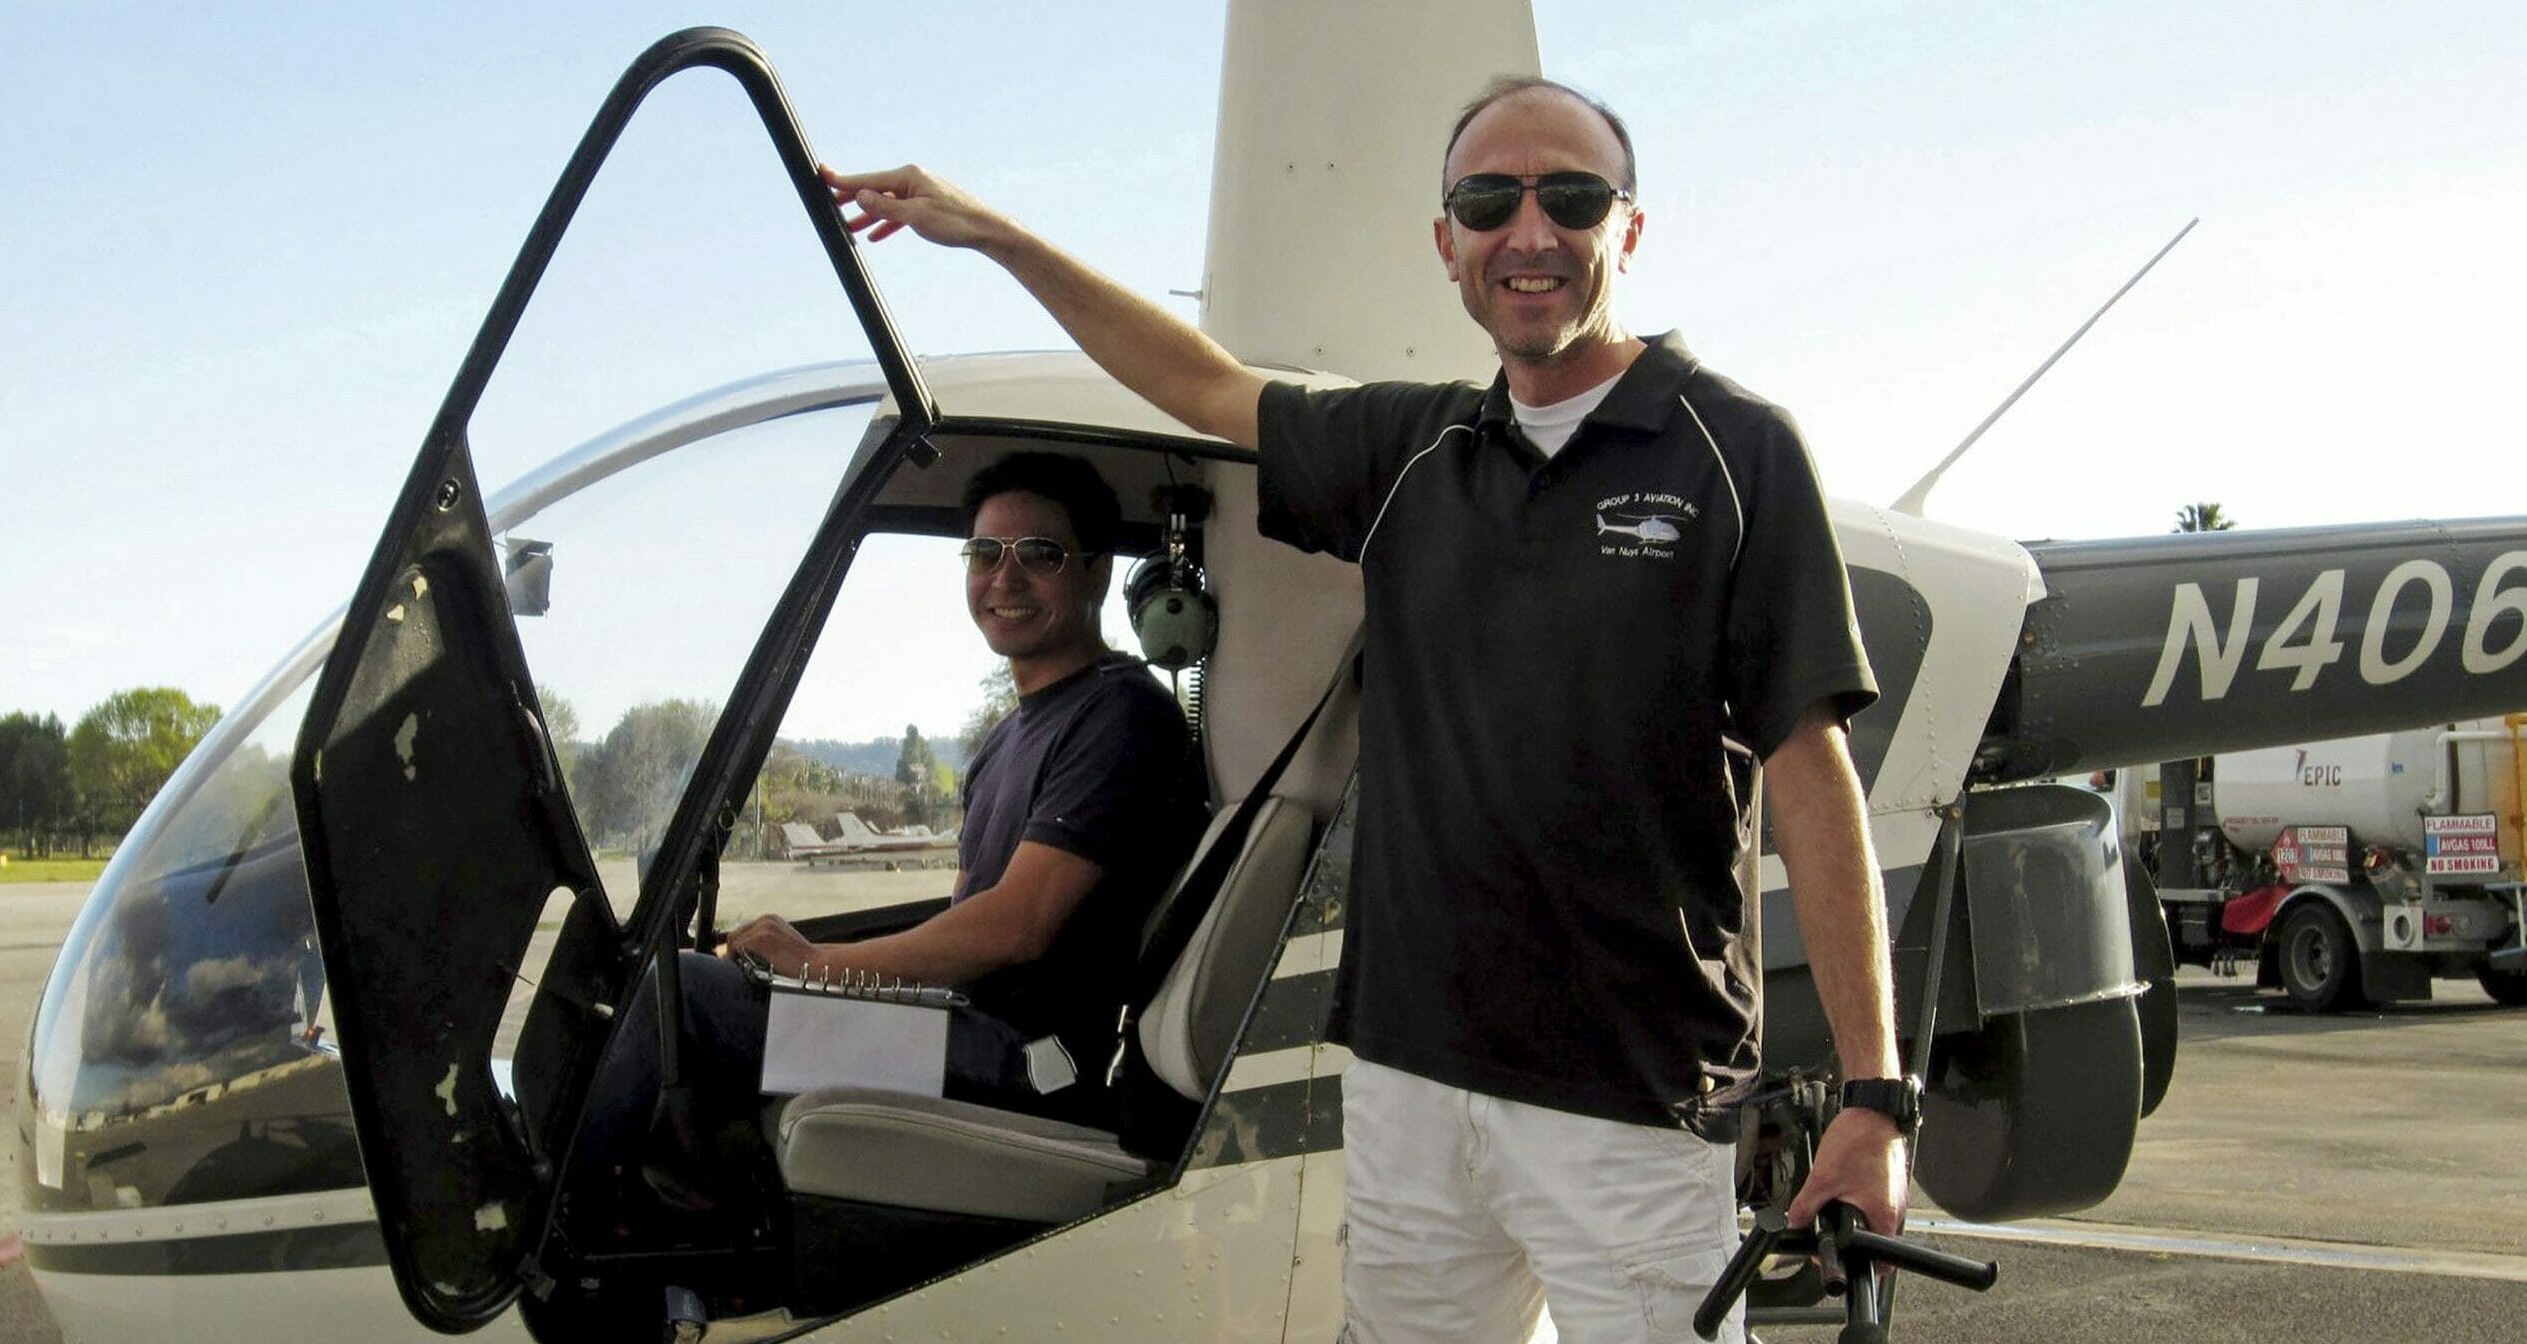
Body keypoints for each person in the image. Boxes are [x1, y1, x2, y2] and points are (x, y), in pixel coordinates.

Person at [828, 75, 1908, 1344]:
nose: (1529, 232)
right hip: (1407, 1079)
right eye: (1486, 200)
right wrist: (998, 235)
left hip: (1628, 1095)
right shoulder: (1414, 454)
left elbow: (1810, 770)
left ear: (1628, 226)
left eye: (1569, 197)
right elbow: (1199, 385)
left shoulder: (1730, 449)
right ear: (1444, 242)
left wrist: (1874, 1097)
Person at [583, 452, 1203, 1216]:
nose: (1004, 580)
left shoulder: (1123, 717)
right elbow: (964, 920)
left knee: (688, 998)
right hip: (973, 1030)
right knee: (700, 981)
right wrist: (792, 968)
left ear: (1097, 572)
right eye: (984, 554)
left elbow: (1018, 925)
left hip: (1037, 1062)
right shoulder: (1008, 739)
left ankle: (562, 1240)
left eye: (1039, 555)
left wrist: (817, 969)